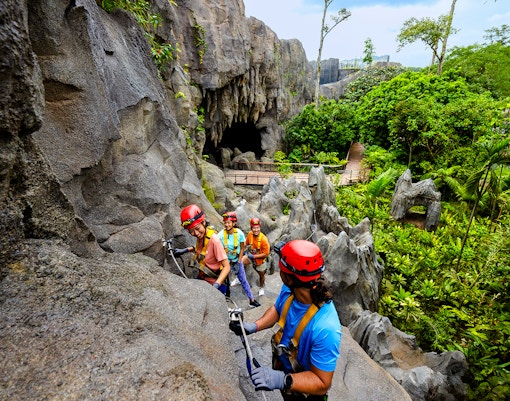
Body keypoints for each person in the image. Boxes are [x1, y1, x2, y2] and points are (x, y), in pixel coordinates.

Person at [231, 240, 341, 400]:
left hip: (307, 390)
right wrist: (253, 327)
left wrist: (281, 380)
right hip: (285, 366)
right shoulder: (291, 288)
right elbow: (278, 309)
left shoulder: (326, 328)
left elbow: (322, 382)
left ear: (289, 278)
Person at [173, 204, 230, 294]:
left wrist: (216, 284)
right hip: (202, 278)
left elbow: (227, 267)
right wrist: (184, 250)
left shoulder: (215, 240)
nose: (195, 233)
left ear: (203, 222)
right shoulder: (202, 237)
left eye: (197, 228)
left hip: (214, 281)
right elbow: (201, 250)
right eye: (191, 231)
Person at [218, 211, 261, 308]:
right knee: (225, 280)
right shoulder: (221, 235)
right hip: (226, 261)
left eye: (229, 222)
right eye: (225, 222)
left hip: (236, 259)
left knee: (243, 280)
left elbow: (242, 248)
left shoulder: (240, 234)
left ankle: (252, 300)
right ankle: (226, 296)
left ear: (233, 223)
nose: (227, 224)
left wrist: (239, 260)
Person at [241, 217, 270, 296]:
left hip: (260, 260)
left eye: (257, 228)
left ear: (260, 227)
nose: (256, 230)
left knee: (261, 275)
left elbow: (266, 253)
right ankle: (239, 277)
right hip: (251, 255)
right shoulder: (250, 234)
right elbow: (246, 243)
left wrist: (254, 257)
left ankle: (261, 288)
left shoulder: (264, 239)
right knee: (240, 262)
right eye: (254, 228)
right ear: (251, 228)